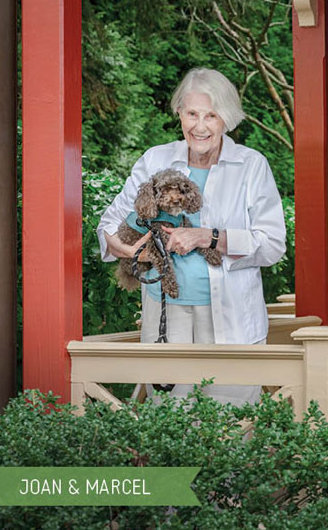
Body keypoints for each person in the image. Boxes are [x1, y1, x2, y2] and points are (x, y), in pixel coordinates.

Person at [97, 68, 286, 406]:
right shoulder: (155, 159)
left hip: (229, 319)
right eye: (192, 114)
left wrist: (208, 237)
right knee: (171, 420)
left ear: (227, 119)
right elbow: (109, 225)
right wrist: (129, 249)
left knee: (232, 422)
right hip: (165, 317)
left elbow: (272, 244)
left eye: (211, 116)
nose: (200, 126)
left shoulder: (251, 166)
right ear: (180, 115)